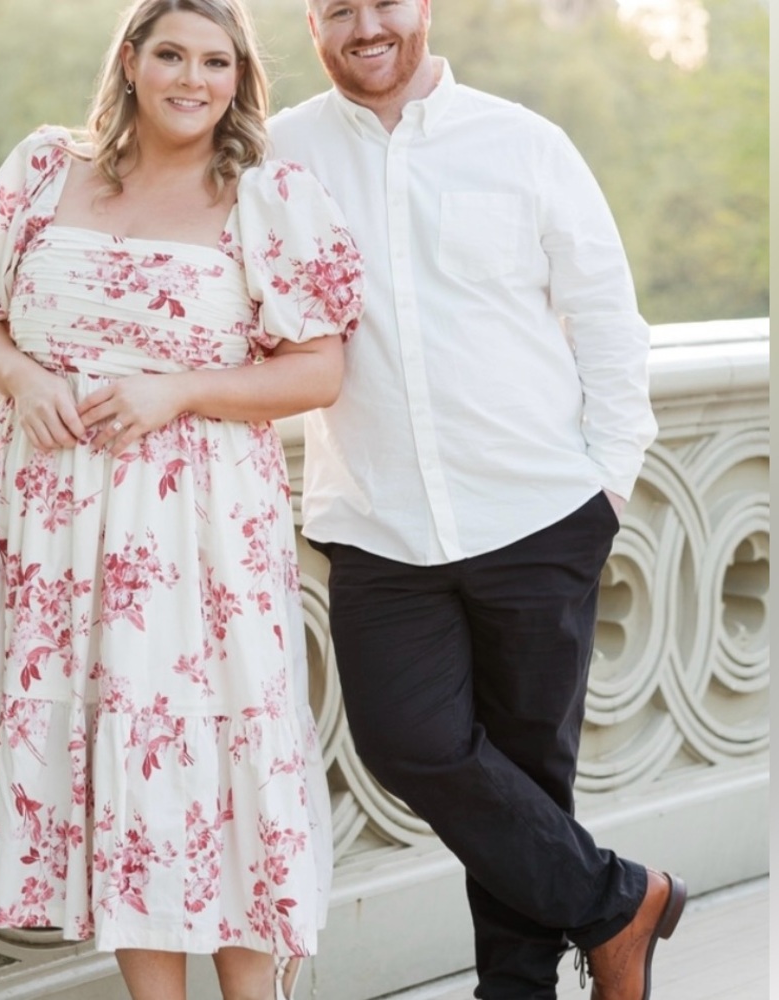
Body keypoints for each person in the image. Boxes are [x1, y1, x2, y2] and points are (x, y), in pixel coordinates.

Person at [0, 1, 364, 998]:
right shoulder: (46, 166)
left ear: (239, 77)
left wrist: (175, 389)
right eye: (169, 53)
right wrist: (23, 378)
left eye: (216, 61)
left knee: (218, 759)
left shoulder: (268, 193)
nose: (191, 78)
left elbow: (316, 371)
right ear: (129, 61)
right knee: (118, 763)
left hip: (200, 527)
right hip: (53, 524)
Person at [267, 2, 685, 999]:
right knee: (408, 741)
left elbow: (604, 319)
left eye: (385, 2)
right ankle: (620, 899)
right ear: (309, 22)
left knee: (529, 775)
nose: (365, 25)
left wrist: (605, 486)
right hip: (374, 526)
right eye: (337, 8)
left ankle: (522, 987)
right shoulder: (274, 157)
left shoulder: (524, 143)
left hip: (539, 515)